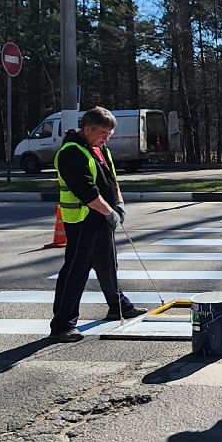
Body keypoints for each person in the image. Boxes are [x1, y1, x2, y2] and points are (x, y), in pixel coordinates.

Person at [49, 106, 146, 342]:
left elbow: (112, 180)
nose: (107, 138)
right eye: (103, 133)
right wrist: (109, 212)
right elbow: (87, 192)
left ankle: (118, 306)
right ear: (87, 129)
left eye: (109, 134)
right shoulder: (71, 153)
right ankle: (62, 325)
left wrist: (118, 203)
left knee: (108, 265)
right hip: (83, 221)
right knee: (76, 271)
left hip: (101, 218)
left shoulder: (99, 149)